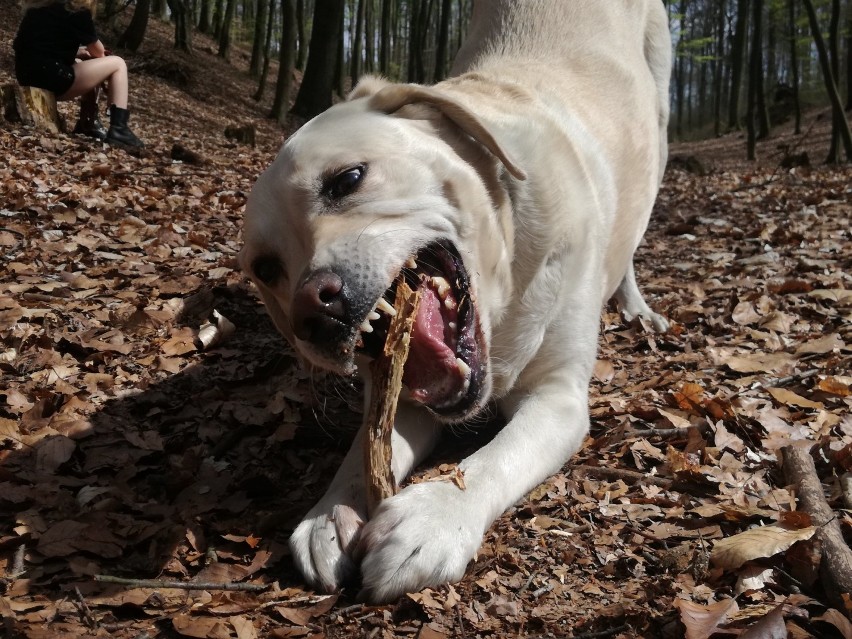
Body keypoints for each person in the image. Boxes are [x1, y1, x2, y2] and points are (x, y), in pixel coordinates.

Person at [13, 0, 144, 148]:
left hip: (26, 75)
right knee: (118, 63)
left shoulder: (41, 5)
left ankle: (87, 122)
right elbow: (99, 52)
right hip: (51, 78)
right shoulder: (76, 9)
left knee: (82, 62)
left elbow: (40, 46)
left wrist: (79, 52)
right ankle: (119, 129)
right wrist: (95, 55)